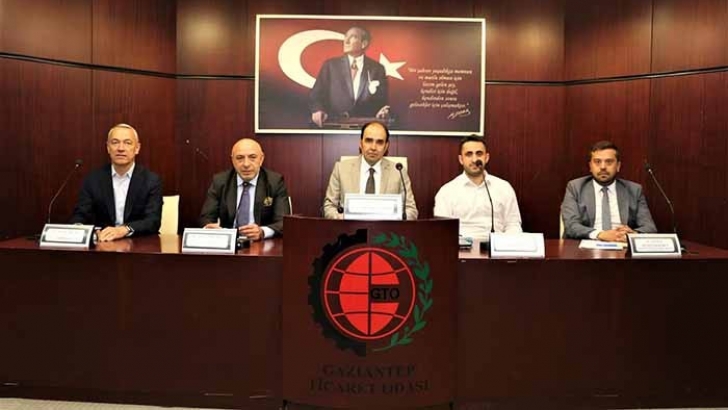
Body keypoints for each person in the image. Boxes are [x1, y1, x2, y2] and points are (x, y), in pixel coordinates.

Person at [70, 123, 162, 241]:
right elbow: (80, 215)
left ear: (137, 148)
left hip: (138, 243)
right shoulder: (93, 180)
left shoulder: (151, 180)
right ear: (108, 148)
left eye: (127, 143)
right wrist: (86, 231)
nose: (120, 148)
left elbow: (152, 221)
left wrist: (124, 230)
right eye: (115, 142)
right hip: (103, 243)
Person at [561, 140, 657, 242]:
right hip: (587, 245)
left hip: (622, 245)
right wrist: (600, 234)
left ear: (618, 166)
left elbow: (649, 227)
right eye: (597, 162)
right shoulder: (575, 187)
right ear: (590, 166)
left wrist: (632, 235)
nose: (603, 167)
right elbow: (571, 226)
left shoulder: (634, 190)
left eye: (609, 162)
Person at [323, 121, 417, 220]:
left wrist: (394, 219)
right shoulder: (341, 168)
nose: (373, 147)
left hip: (386, 228)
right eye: (368, 140)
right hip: (350, 228)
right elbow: (329, 206)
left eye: (379, 142)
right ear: (361, 143)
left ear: (386, 146)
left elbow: (411, 210)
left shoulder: (398, 171)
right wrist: (342, 218)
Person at [199, 138, 290, 241]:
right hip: (228, 242)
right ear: (232, 160)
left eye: (252, 157)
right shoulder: (220, 181)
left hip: (261, 243)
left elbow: (283, 222)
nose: (246, 164)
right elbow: (206, 218)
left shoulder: (274, 182)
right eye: (240, 158)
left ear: (261, 159)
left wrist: (262, 232)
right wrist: (210, 228)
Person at [434, 136, 522, 239]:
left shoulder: (504, 187)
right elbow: (443, 230)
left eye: (479, 154)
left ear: (486, 158)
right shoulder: (447, 191)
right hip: (463, 246)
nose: (474, 159)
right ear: (461, 159)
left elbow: (513, 224)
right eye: (469, 154)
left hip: (497, 246)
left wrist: (506, 244)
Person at [310, 26, 390, 127]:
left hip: (365, 127)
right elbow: (316, 95)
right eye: (346, 36)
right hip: (334, 125)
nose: (346, 41)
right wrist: (318, 109)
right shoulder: (330, 66)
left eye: (353, 37)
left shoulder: (377, 69)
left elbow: (381, 101)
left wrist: (382, 111)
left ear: (364, 44)